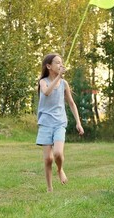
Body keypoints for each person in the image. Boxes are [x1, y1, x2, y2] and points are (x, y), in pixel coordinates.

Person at [36, 53, 84, 192]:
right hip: (45, 123)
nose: (60, 65)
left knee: (57, 153)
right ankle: (49, 188)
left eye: (61, 62)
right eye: (57, 63)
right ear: (49, 66)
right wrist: (58, 77)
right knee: (47, 159)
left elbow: (71, 103)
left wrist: (78, 123)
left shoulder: (64, 84)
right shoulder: (43, 81)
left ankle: (60, 169)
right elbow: (46, 93)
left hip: (59, 123)